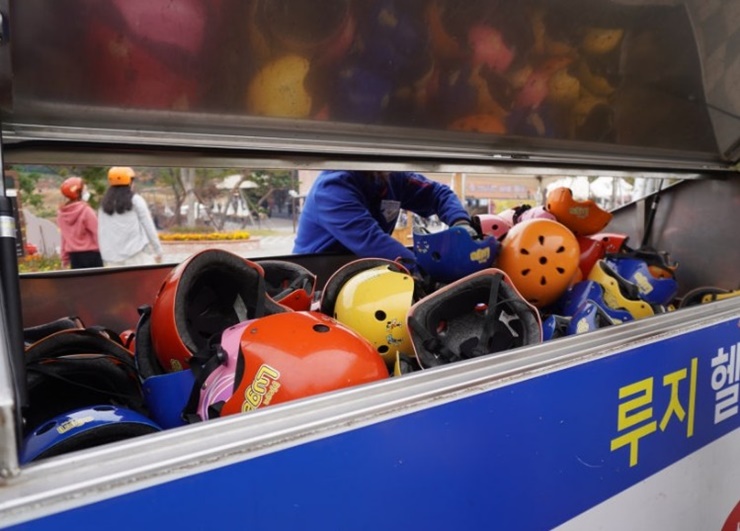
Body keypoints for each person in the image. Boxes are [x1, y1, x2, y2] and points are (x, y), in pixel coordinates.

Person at [293, 170, 477, 266]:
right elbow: (373, 243)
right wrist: (428, 270)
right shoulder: (332, 189)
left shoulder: (391, 177)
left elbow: (438, 194)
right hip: (317, 278)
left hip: (364, 272)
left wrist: (461, 223)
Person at [98, 166, 163, 267]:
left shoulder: (104, 204)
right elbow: (148, 226)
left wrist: (105, 254)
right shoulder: (135, 200)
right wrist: (158, 250)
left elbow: (101, 231)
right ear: (130, 182)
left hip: (111, 258)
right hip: (135, 254)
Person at [56, 176, 104, 269]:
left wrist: (64, 258)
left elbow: (64, 238)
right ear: (78, 193)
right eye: (84, 189)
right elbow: (97, 233)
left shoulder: (62, 214)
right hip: (92, 256)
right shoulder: (86, 211)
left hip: (74, 257)